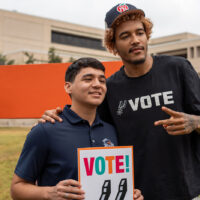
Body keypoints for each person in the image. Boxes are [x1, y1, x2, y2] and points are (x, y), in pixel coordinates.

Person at [38, 3, 200, 200]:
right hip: (134, 194)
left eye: (139, 32)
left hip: (184, 190)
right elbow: (91, 128)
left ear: (146, 35)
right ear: (113, 45)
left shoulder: (178, 68)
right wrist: (56, 117)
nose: (135, 40)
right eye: (125, 36)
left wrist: (195, 122)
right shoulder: (111, 88)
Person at [11, 57, 143, 200]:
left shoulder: (112, 130)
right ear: (68, 87)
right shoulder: (45, 130)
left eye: (102, 80)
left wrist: (129, 194)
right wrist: (49, 193)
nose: (97, 85)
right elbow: (16, 189)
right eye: (88, 79)